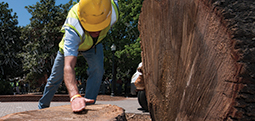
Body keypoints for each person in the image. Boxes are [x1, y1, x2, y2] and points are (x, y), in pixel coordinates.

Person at [38, 0, 119, 112]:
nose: (96, 31)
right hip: (70, 47)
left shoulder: (113, 9)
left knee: (98, 70)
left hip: (93, 46)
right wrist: (74, 96)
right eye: (92, 27)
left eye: (99, 26)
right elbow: (69, 66)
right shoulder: (73, 24)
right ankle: (42, 106)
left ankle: (88, 105)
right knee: (54, 79)